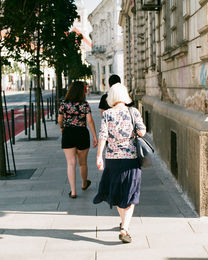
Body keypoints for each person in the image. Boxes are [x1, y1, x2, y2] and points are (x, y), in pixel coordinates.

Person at [93, 83, 146, 243]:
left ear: (111, 97)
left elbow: (103, 136)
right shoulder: (133, 111)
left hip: (113, 159)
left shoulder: (107, 114)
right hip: (131, 158)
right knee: (130, 193)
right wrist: (136, 130)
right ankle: (124, 228)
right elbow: (142, 131)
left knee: (117, 192)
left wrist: (99, 157)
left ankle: (124, 223)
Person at [58, 81, 98, 199]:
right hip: (82, 133)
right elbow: (89, 121)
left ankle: (73, 191)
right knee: (83, 163)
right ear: (82, 92)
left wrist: (62, 127)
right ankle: (84, 183)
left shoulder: (64, 104)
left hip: (68, 133)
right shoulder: (84, 104)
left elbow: (60, 119)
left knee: (71, 163)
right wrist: (95, 136)